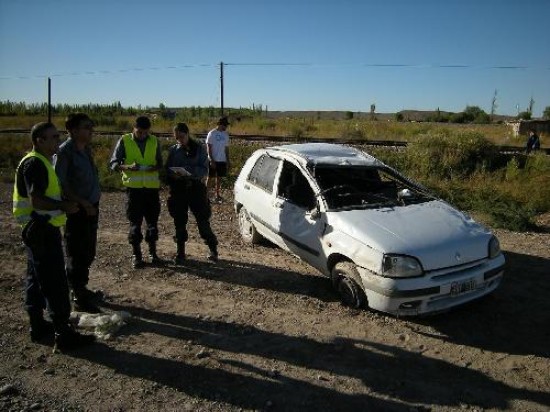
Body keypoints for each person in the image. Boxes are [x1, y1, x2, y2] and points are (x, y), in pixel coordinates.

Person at [12, 122, 96, 352]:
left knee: (35, 278)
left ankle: (38, 325)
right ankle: (63, 333)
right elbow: (36, 199)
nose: (58, 140)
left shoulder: (44, 162)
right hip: (41, 228)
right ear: (39, 140)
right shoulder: (35, 163)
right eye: (53, 137)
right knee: (54, 282)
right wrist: (64, 206)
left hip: (38, 228)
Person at [55, 113, 102, 313]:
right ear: (73, 130)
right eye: (86, 127)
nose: (90, 130)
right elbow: (61, 184)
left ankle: (82, 287)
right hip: (77, 210)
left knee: (89, 251)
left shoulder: (86, 149)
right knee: (76, 251)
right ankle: (77, 295)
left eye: (91, 126)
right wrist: (82, 202)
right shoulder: (65, 152)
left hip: (92, 207)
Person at [109, 115, 162, 269]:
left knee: (152, 223)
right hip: (134, 190)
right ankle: (136, 255)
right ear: (134, 128)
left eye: (146, 132)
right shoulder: (124, 140)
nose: (143, 135)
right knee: (135, 223)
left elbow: (160, 162)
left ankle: (153, 253)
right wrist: (127, 167)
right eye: (140, 132)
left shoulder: (154, 141)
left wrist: (155, 167)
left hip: (151, 189)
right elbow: (113, 163)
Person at [165, 123, 219, 264]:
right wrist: (173, 174)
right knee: (179, 222)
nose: (180, 140)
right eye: (177, 138)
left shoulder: (199, 149)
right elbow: (167, 169)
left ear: (187, 134)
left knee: (202, 221)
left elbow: (204, 170)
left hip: (196, 189)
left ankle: (213, 249)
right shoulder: (173, 151)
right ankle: (180, 252)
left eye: (182, 137)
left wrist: (187, 171)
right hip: (178, 190)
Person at [205, 116, 231, 202]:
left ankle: (217, 195)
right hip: (213, 160)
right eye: (225, 125)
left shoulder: (225, 135)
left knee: (219, 178)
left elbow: (226, 149)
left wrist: (228, 160)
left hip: (222, 160)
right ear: (220, 124)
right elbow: (208, 147)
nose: (226, 127)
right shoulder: (212, 133)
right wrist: (211, 160)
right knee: (210, 177)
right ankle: (206, 196)